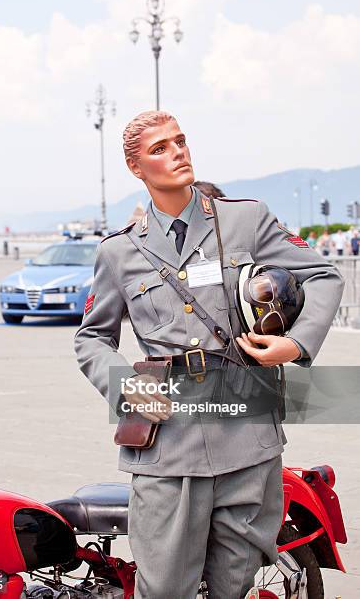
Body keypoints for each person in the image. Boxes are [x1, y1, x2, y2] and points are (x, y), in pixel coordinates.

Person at [74, 111, 344, 598]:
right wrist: (127, 387)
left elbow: (323, 276)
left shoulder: (245, 220)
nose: (176, 152)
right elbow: (92, 337)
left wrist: (297, 343)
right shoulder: (119, 253)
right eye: (159, 148)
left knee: (232, 588)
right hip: (167, 446)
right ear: (136, 168)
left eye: (180, 141)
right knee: (164, 590)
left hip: (248, 437)